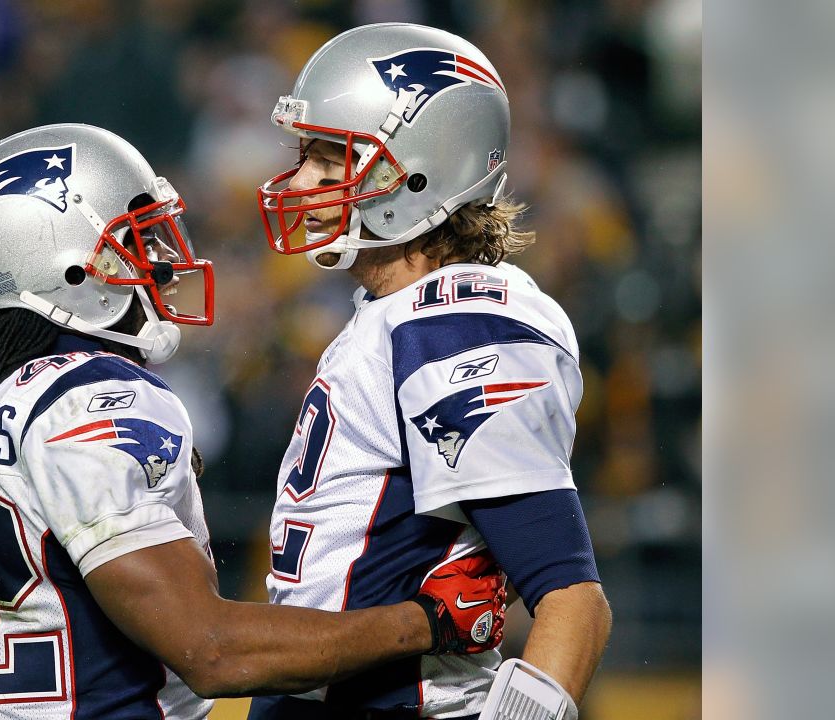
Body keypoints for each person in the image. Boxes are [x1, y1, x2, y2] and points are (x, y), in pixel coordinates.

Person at [0, 123, 510, 719]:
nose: (164, 260)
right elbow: (212, 650)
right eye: (134, 239)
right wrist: (427, 621)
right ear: (63, 263)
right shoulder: (94, 395)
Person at [252, 24, 612, 719]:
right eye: (305, 156)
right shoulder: (398, 316)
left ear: (416, 173)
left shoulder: (459, 327)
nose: (300, 181)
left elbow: (572, 601)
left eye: (331, 160)